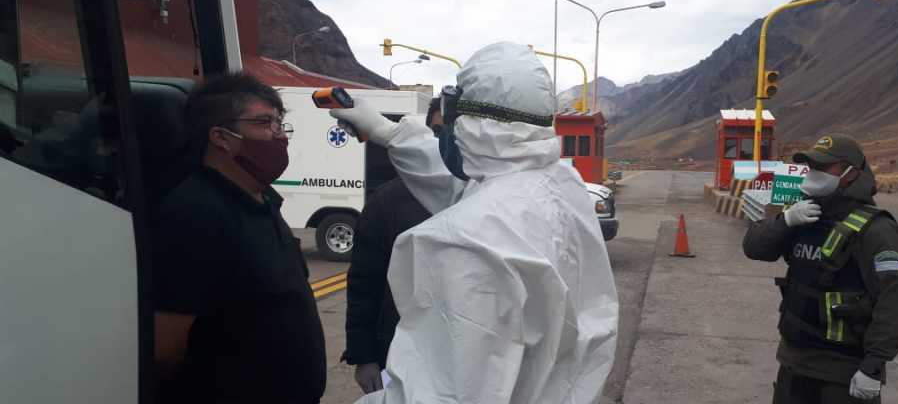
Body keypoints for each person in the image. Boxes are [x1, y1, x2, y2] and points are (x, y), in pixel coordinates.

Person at [331, 42, 619, 404]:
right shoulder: (563, 188)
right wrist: (391, 134)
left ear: (468, 123)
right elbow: (470, 188)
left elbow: (443, 394)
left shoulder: (463, 241)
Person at [152, 73, 326, 404]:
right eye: (263, 123)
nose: (278, 136)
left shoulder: (264, 201)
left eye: (279, 123)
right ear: (220, 137)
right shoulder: (196, 213)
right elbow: (165, 345)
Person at [743, 134, 898, 403]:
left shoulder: (877, 230)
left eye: (824, 167)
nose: (814, 173)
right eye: (811, 167)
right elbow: (754, 248)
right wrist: (785, 221)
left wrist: (873, 365)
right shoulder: (804, 214)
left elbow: (897, 301)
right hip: (794, 362)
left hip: (842, 374)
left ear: (850, 174)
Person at [342, 99, 442, 393]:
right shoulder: (388, 201)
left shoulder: (488, 198)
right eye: (437, 130)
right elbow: (364, 282)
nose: (445, 139)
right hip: (396, 351)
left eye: (454, 130)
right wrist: (364, 356)